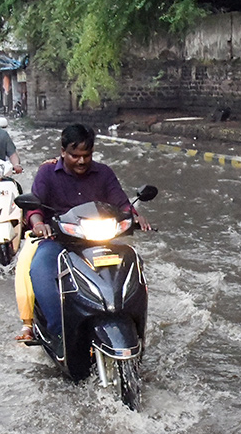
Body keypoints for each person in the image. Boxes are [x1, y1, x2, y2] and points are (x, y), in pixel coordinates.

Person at [14, 123, 151, 342]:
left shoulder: (104, 173)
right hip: (58, 239)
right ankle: (58, 332)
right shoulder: (47, 172)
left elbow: (121, 202)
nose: (81, 161)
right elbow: (35, 206)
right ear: (63, 152)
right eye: (75, 155)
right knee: (40, 268)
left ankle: (132, 325)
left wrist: (133, 216)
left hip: (98, 239)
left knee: (132, 263)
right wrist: (38, 223)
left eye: (86, 155)